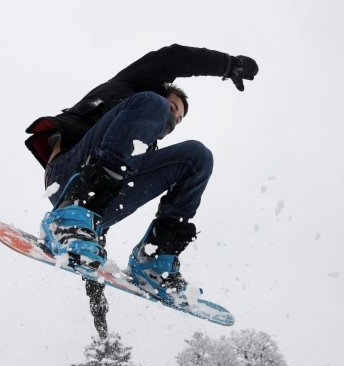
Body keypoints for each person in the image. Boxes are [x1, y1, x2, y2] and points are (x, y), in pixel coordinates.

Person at [25, 45, 259, 337]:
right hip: (68, 175)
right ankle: (69, 215)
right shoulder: (136, 87)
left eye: (179, 120)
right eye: (174, 109)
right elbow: (175, 56)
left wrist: (96, 293)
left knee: (197, 157)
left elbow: (96, 233)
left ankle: (153, 261)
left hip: (97, 206)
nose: (173, 121)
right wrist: (228, 65)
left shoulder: (138, 149)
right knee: (151, 105)